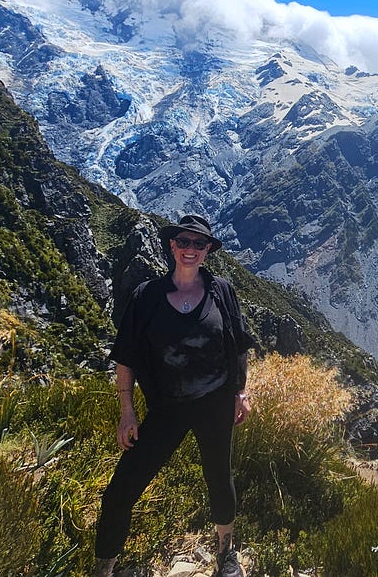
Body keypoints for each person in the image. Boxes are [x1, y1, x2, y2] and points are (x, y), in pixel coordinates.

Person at [92, 214, 259, 577]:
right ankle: (104, 565)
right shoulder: (147, 297)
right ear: (171, 246)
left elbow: (239, 344)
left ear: (208, 251)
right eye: (184, 242)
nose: (190, 250)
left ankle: (225, 554)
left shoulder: (222, 291)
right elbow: (127, 357)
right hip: (166, 407)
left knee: (219, 477)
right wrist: (127, 411)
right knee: (122, 489)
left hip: (214, 402)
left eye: (199, 244)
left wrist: (240, 390)